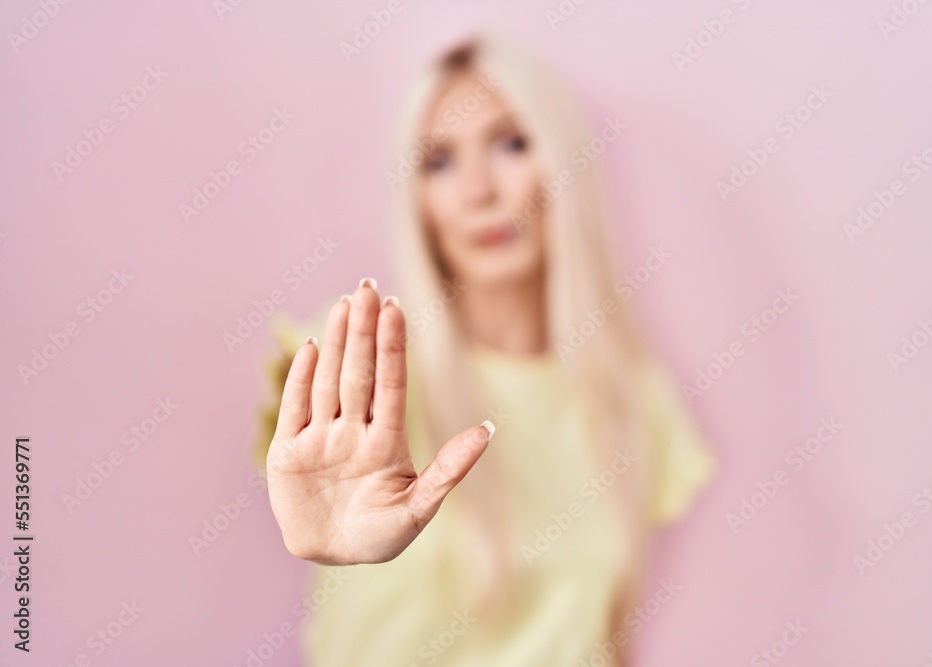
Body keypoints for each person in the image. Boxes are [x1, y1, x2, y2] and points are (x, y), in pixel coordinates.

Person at [252, 31, 718, 667]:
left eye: (511, 144)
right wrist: (319, 538)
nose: (478, 191)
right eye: (439, 162)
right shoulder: (362, 368)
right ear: (417, 201)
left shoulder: (636, 403)